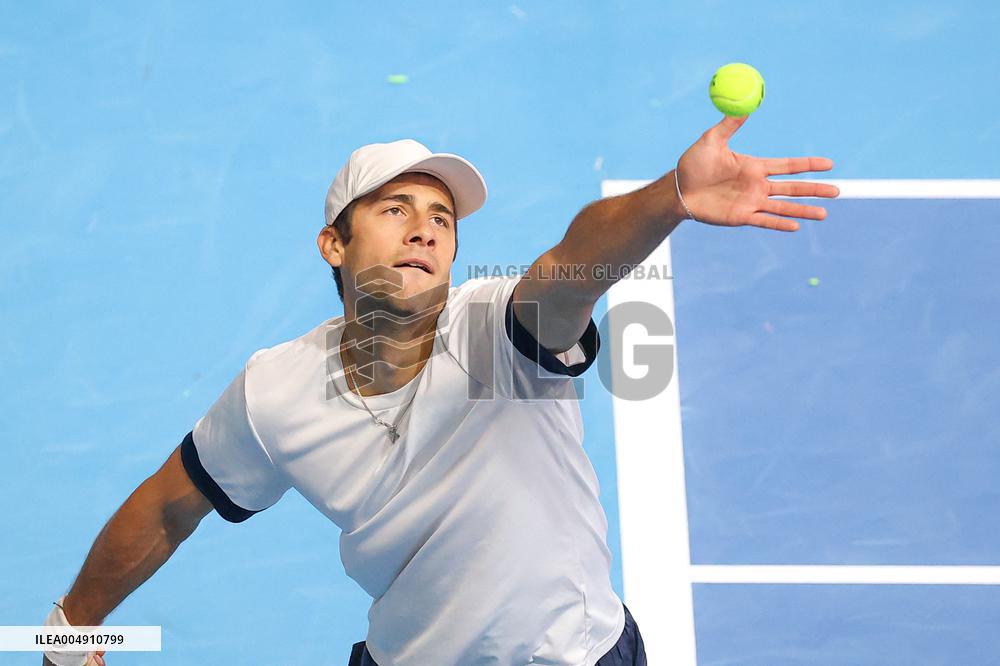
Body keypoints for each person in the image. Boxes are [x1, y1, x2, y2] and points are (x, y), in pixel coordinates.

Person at [41, 115, 837, 666]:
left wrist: (670, 199)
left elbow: (571, 265)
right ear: (334, 244)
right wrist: (72, 626)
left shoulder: (498, 331)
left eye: (443, 219)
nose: (427, 228)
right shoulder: (276, 393)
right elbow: (169, 504)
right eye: (396, 210)